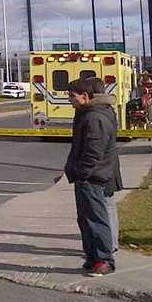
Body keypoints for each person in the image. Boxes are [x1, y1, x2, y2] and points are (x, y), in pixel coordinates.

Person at [64, 76, 120, 277]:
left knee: (96, 219)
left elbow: (93, 151)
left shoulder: (94, 118)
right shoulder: (88, 113)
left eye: (72, 96)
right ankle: (93, 258)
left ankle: (104, 260)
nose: (69, 100)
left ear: (85, 96)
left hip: (92, 178)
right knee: (86, 220)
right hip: (87, 177)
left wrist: (83, 173)